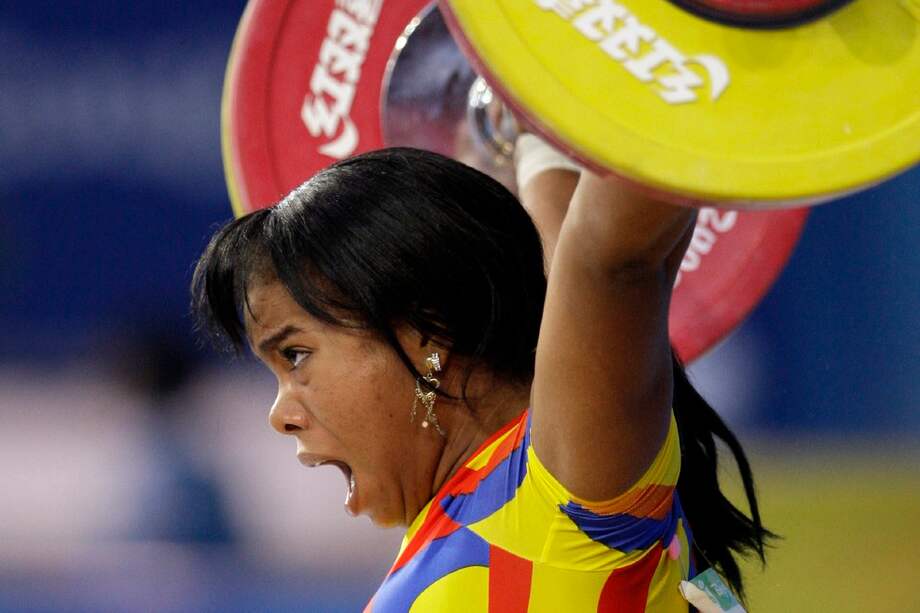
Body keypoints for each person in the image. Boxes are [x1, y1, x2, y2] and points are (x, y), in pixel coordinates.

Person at [191, 140, 772, 611]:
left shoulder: (562, 492)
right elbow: (570, 265)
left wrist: (651, 58)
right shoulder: (483, 519)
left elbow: (610, 260)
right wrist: (537, 142)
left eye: (295, 356)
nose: (279, 414)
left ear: (427, 335)